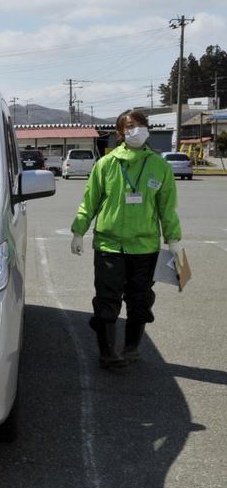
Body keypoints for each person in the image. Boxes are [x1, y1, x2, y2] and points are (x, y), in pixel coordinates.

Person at [70, 109, 183, 368]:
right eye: (131, 126)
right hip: (110, 244)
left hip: (145, 247)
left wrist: (173, 240)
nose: (137, 130)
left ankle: (131, 348)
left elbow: (168, 208)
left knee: (140, 299)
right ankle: (107, 352)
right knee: (107, 298)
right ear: (120, 132)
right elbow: (90, 202)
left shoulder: (159, 166)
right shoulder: (106, 164)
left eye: (142, 125)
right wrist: (79, 231)